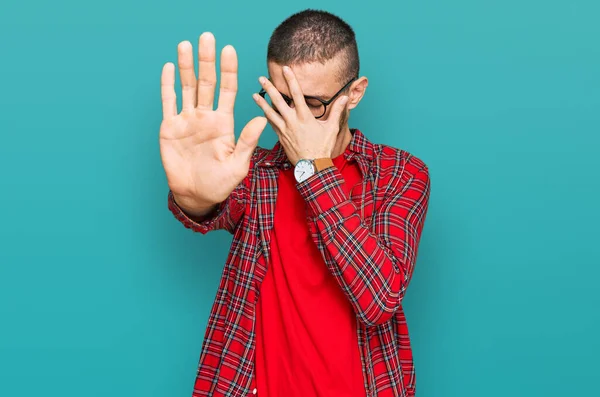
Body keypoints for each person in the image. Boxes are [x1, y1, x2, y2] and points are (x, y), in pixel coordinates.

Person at [159, 9, 431, 397]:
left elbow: (379, 298)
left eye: (312, 105)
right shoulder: (255, 171)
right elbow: (215, 207)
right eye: (283, 102)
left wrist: (313, 168)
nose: (294, 121)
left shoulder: (399, 174)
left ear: (354, 93)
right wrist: (195, 199)